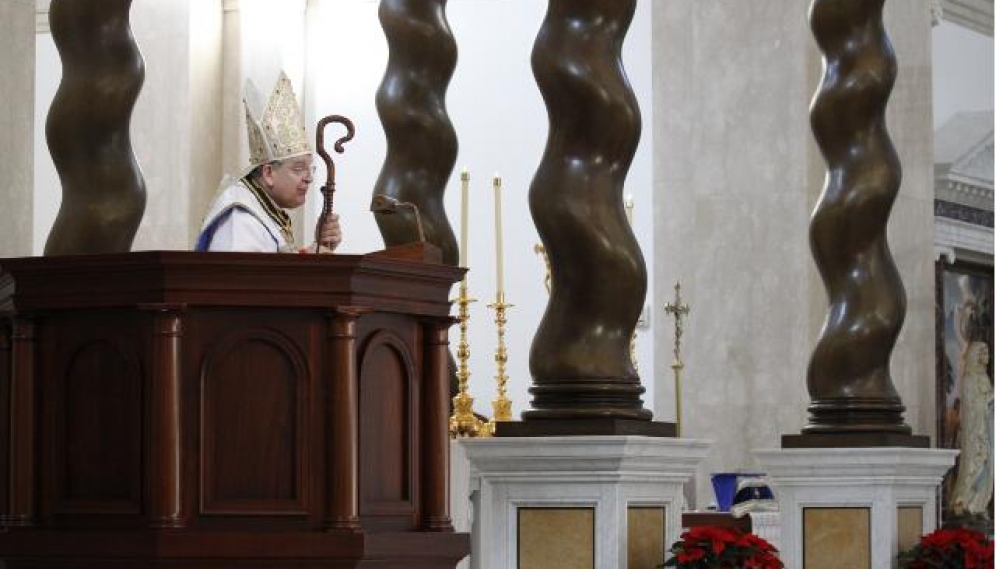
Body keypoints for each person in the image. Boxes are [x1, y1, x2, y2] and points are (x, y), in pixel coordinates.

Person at [196, 71, 341, 253]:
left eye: (310, 168)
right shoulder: (241, 220)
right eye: (298, 168)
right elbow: (244, 279)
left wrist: (316, 248)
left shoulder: (262, 212)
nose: (309, 178)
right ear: (268, 173)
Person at [949, 340, 994, 519]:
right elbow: (973, 405)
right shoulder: (969, 379)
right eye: (983, 353)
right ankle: (964, 502)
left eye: (988, 353)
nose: (987, 357)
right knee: (974, 465)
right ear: (976, 355)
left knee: (988, 466)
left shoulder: (984, 378)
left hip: (988, 429)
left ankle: (979, 504)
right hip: (976, 432)